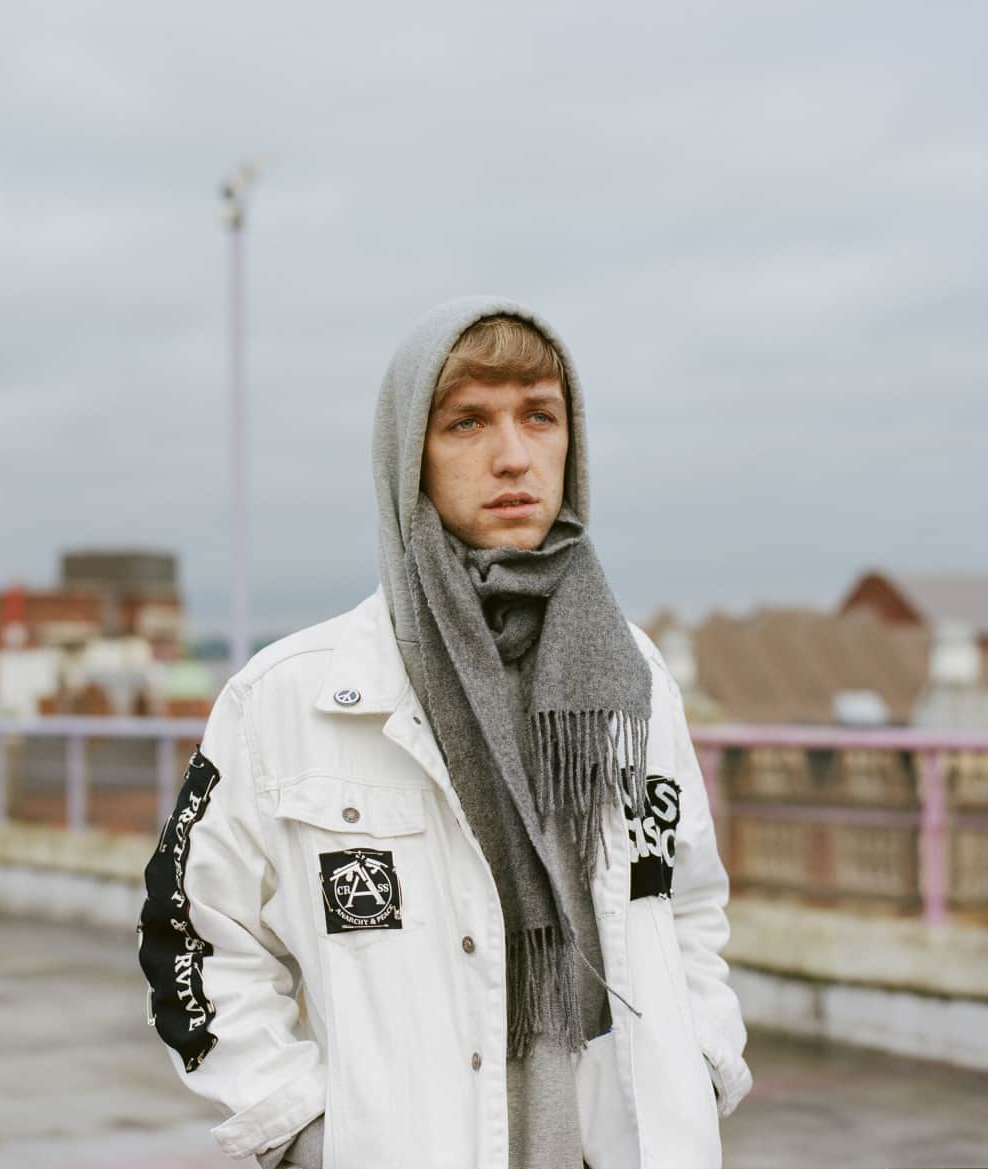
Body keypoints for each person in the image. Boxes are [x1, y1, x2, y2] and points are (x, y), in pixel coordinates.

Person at [138, 296, 751, 1169]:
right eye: (467, 421)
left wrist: (700, 1067)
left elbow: (687, 897)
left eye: (539, 416)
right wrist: (300, 1128)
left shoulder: (630, 677)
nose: (513, 455)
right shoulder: (288, 696)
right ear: (408, 456)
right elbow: (192, 934)